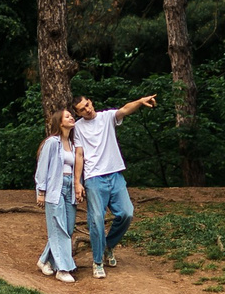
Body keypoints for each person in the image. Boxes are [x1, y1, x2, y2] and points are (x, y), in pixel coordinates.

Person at [70, 91, 158, 279]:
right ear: (78, 114)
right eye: (82, 109)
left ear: (91, 102)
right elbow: (79, 155)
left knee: (127, 213)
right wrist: (77, 183)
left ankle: (108, 245)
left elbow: (125, 110)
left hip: (115, 174)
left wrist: (141, 101)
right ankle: (97, 262)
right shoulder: (77, 128)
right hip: (94, 178)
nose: (87, 109)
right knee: (96, 219)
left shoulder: (106, 117)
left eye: (87, 104)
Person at [33, 110, 83, 283]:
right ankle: (62, 269)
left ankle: (44, 259)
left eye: (71, 116)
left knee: (67, 229)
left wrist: (78, 186)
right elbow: (42, 167)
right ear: (60, 123)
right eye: (67, 116)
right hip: (55, 188)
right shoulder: (52, 142)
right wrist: (41, 191)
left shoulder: (72, 142)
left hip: (69, 188)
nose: (71, 118)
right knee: (59, 227)